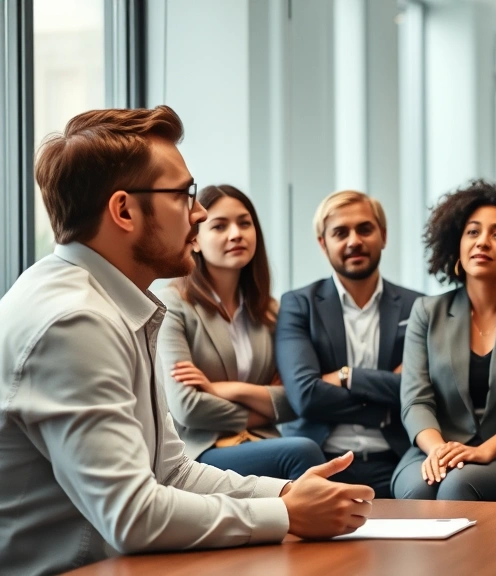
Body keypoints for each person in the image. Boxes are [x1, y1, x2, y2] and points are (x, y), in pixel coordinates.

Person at [0, 106, 372, 576]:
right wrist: (287, 514)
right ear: (123, 210)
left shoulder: (113, 304)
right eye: (183, 195)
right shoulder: (74, 321)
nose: (198, 213)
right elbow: (133, 517)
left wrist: (284, 494)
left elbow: (173, 472)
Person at [392, 181, 496, 502]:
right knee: (418, 488)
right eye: (472, 232)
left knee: (460, 485)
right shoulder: (428, 311)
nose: (483, 242)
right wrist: (440, 451)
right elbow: (416, 400)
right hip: (434, 446)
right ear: (456, 243)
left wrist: (484, 451)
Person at [156, 184, 325, 480]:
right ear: (194, 239)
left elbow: (294, 400)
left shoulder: (271, 311)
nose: (236, 234)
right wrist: (263, 406)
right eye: (219, 226)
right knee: (303, 452)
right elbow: (187, 406)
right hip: (199, 449)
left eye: (244, 223)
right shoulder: (173, 305)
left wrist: (224, 389)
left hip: (261, 441)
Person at [277, 190, 422, 498]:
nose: (354, 241)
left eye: (365, 229)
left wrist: (346, 376)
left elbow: (419, 390)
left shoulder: (418, 307)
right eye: (340, 233)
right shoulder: (298, 305)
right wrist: (384, 402)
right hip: (319, 461)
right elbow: (305, 395)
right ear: (323, 243)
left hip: (396, 461)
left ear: (383, 235)